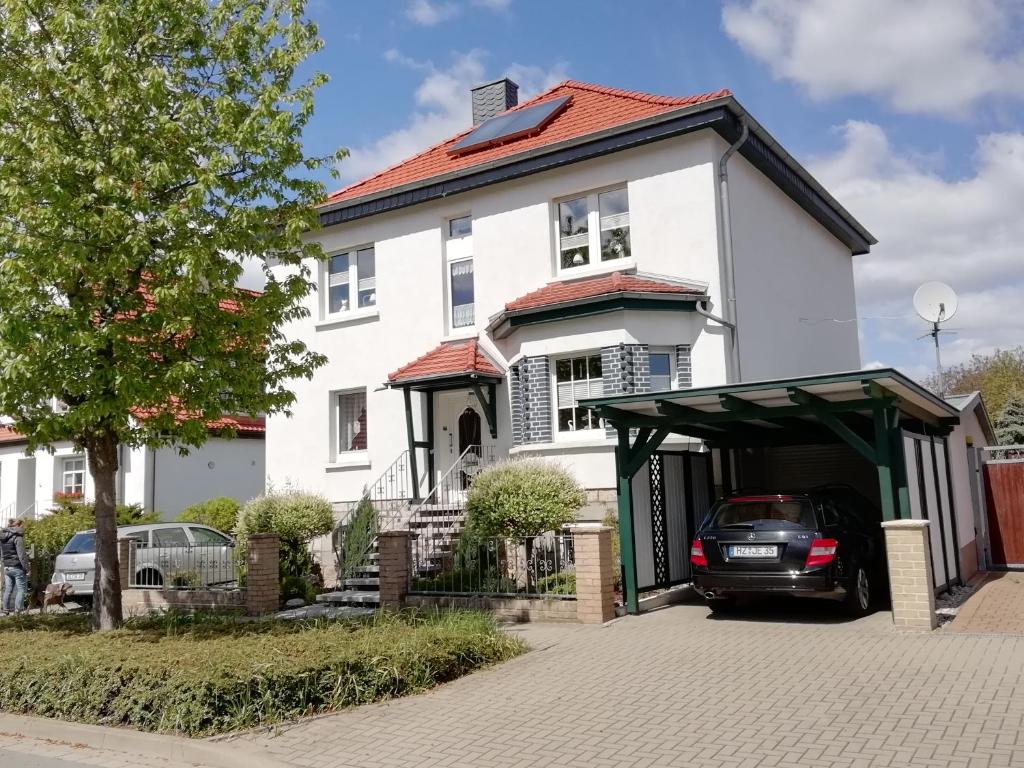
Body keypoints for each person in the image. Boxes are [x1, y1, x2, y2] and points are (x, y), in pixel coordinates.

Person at [1, 519, 29, 615]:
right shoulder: (18, 537)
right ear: (18, 526)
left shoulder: (3, 537)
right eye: (22, 526)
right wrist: (27, 568)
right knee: (21, 589)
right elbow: (22, 555)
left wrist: (4, 563)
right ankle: (18, 611)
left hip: (7, 567)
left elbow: (2, 553)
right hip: (17, 567)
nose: (23, 528)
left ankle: (5, 610)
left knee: (8, 589)